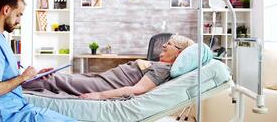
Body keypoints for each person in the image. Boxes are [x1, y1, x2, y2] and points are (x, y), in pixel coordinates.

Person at [0, 0, 76, 122]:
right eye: (18, 15)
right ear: (6, 10)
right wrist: (23, 76)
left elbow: (7, 80)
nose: (19, 21)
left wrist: (33, 77)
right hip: (10, 116)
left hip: (21, 109)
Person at [22, 35, 194, 100]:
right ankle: (17, 82)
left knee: (55, 80)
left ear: (178, 53)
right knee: (55, 78)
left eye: (169, 45)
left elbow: (139, 89)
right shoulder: (160, 64)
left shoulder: (162, 69)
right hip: (102, 78)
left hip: (105, 85)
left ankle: (12, 86)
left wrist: (99, 95)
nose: (163, 45)